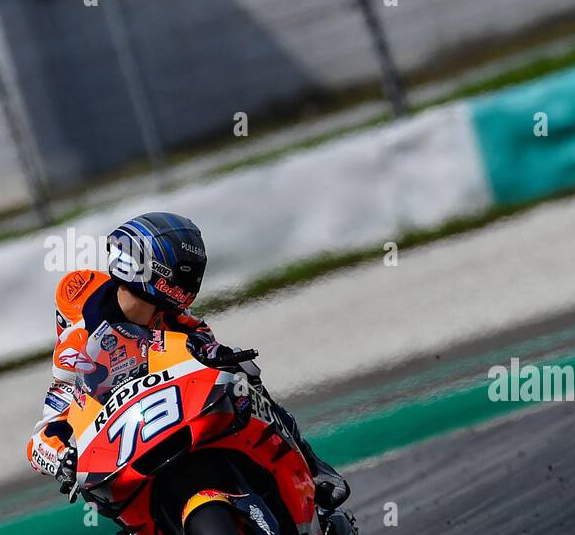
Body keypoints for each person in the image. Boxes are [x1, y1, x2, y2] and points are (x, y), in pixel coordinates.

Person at [26, 211, 349, 510]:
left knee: (244, 377)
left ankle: (308, 462)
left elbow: (214, 352)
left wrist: (225, 362)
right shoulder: (77, 348)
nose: (192, 281)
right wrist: (64, 459)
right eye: (184, 271)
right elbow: (41, 439)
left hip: (180, 415)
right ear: (146, 268)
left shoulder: (175, 317)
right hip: (124, 449)